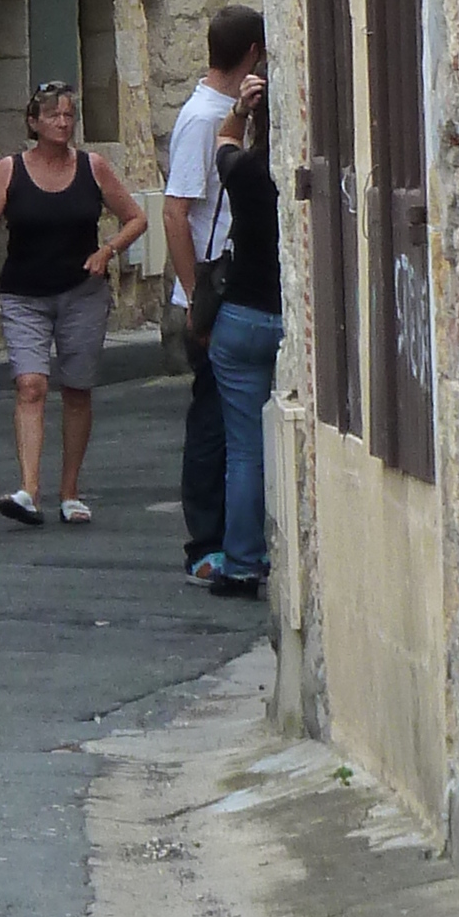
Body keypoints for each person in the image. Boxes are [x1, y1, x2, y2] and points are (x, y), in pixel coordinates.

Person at [0, 82, 147, 526]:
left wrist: (107, 251)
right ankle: (29, 490)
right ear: (33, 122)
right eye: (53, 115)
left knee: (76, 388)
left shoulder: (94, 167)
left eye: (69, 115)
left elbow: (137, 218)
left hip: (82, 293)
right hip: (24, 295)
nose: (63, 122)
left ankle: (70, 491)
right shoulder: (9, 170)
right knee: (30, 385)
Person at [164, 5, 265, 573]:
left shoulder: (221, 114)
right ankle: (206, 544)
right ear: (253, 53)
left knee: (228, 425)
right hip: (213, 296)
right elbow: (176, 213)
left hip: (224, 293)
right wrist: (191, 296)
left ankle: (223, 538)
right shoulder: (205, 120)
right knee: (212, 425)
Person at [199, 66, 283, 597]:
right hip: (288, 316)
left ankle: (242, 561)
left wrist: (241, 105)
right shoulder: (290, 175)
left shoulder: (246, 173)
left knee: (245, 449)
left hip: (242, 316)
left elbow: (224, 139)